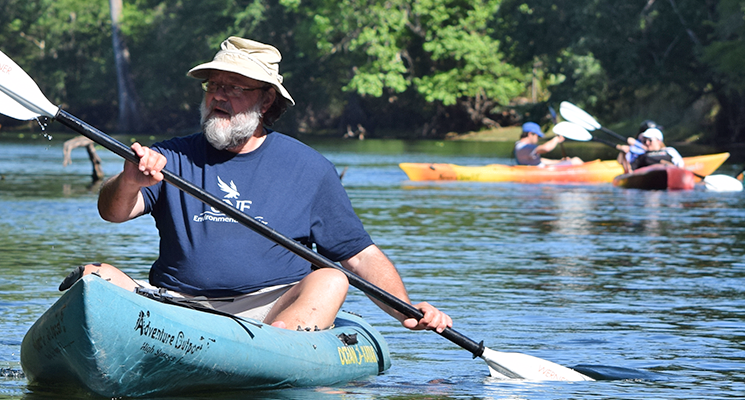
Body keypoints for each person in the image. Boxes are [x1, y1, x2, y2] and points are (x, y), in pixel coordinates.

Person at [60, 36, 453, 334]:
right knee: (98, 275)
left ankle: (269, 358)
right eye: (214, 85)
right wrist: (129, 180)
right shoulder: (171, 157)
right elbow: (111, 212)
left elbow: (358, 255)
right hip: (176, 306)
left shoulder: (309, 168)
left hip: (271, 311)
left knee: (331, 278)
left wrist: (407, 311)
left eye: (234, 88)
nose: (218, 95)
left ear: (265, 102)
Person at [616, 120, 683, 173]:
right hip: (648, 177)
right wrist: (624, 154)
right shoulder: (642, 156)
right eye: (644, 141)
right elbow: (629, 172)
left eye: (650, 140)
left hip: (669, 171)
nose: (647, 143)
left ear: (659, 141)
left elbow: (681, 167)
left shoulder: (670, 151)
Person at [513, 122, 581, 166]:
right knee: (576, 161)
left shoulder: (520, 146)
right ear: (530, 134)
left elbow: (540, 160)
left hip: (538, 170)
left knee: (574, 160)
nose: (538, 139)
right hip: (539, 172)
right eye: (538, 136)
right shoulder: (524, 147)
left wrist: (559, 161)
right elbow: (546, 148)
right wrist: (556, 139)